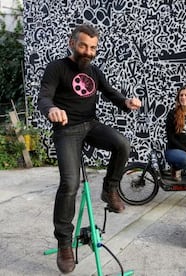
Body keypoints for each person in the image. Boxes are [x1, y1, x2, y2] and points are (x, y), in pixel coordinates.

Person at [37, 24, 141, 274]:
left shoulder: (94, 71)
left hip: (90, 125)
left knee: (122, 144)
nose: (88, 51)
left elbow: (110, 93)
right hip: (66, 131)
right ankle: (64, 242)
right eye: (83, 45)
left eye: (93, 47)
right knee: (70, 184)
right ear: (72, 43)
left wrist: (126, 101)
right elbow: (44, 97)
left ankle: (110, 189)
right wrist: (51, 109)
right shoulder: (56, 68)